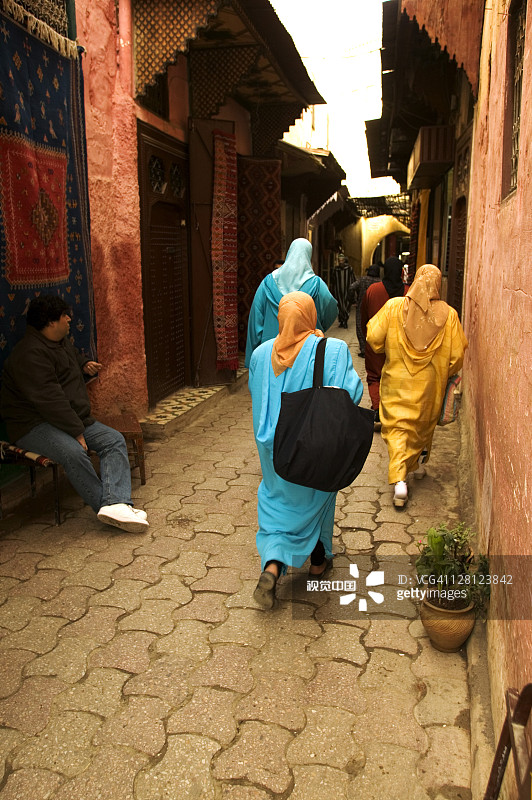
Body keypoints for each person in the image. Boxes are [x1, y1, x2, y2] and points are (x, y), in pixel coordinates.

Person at [248, 291, 363, 608]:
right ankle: (316, 561)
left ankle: (273, 565)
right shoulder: (333, 350)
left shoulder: (260, 355)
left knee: (276, 507)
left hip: (274, 456)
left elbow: (255, 394)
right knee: (318, 498)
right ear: (311, 315)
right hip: (314, 449)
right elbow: (352, 393)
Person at [0, 295, 149, 533]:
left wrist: (83, 364)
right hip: (33, 425)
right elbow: (51, 401)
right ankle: (110, 506)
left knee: (113, 440)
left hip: (69, 419)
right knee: (74, 453)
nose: (70, 319)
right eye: (64, 316)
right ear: (50, 322)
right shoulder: (29, 355)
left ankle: (116, 504)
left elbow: (69, 357)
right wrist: (77, 433)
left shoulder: (59, 340)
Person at [366, 264, 468, 508]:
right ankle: (418, 465)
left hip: (396, 383)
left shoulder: (393, 307)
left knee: (399, 428)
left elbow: (373, 338)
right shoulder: (450, 315)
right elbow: (456, 358)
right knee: (422, 425)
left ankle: (400, 480)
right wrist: (440, 369)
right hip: (429, 387)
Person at [244, 238, 338, 367]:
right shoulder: (316, 284)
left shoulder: (268, 282)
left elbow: (256, 319)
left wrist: (253, 355)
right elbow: (331, 309)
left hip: (271, 348)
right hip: (305, 348)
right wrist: (317, 325)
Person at [360, 256, 407, 429]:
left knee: (374, 376)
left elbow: (363, 316)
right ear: (402, 272)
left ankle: (378, 409)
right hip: (400, 345)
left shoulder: (374, 290)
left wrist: (366, 338)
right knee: (397, 375)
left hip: (375, 341)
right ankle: (395, 411)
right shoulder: (409, 292)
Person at [348, 263, 381, 357]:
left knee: (360, 327)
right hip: (375, 308)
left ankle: (363, 349)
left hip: (361, 306)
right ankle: (372, 349)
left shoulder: (362, 280)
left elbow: (351, 287)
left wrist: (352, 300)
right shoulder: (379, 282)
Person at [332, 254, 352, 329]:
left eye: (342, 260)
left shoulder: (349, 269)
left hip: (347, 291)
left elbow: (352, 279)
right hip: (338, 291)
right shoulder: (336, 270)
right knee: (340, 306)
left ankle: (345, 320)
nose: (341, 262)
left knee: (345, 306)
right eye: (339, 261)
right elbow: (333, 281)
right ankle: (341, 321)